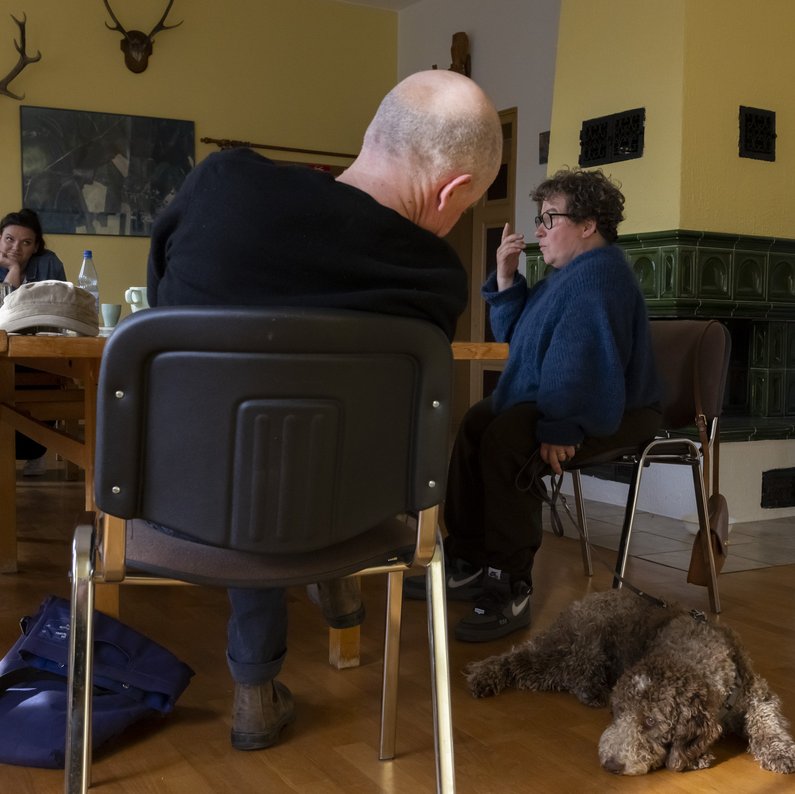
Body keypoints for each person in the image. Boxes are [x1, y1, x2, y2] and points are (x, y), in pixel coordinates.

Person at [146, 69, 503, 751]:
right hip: (351, 511)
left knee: (243, 445)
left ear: (373, 135)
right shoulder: (432, 278)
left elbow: (164, 315)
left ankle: (255, 686)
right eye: (463, 209)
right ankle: (326, 574)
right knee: (302, 444)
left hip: (181, 498)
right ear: (452, 191)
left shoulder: (221, 187)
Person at [406, 168, 662, 643]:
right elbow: (517, 339)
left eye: (551, 218)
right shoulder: (563, 278)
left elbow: (581, 363)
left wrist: (562, 426)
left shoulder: (600, 277)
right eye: (539, 218)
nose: (539, 230)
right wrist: (506, 279)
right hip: (577, 398)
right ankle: (467, 561)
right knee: (480, 421)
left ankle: (509, 583)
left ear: (588, 225)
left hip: (617, 410)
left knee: (507, 439)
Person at [1, 208, 67, 475]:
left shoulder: (49, 264)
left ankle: (35, 449)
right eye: (9, 239)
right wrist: (12, 274)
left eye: (26, 243)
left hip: (38, 351)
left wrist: (15, 270)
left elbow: (61, 310)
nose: (16, 248)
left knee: (47, 372)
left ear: (36, 247)